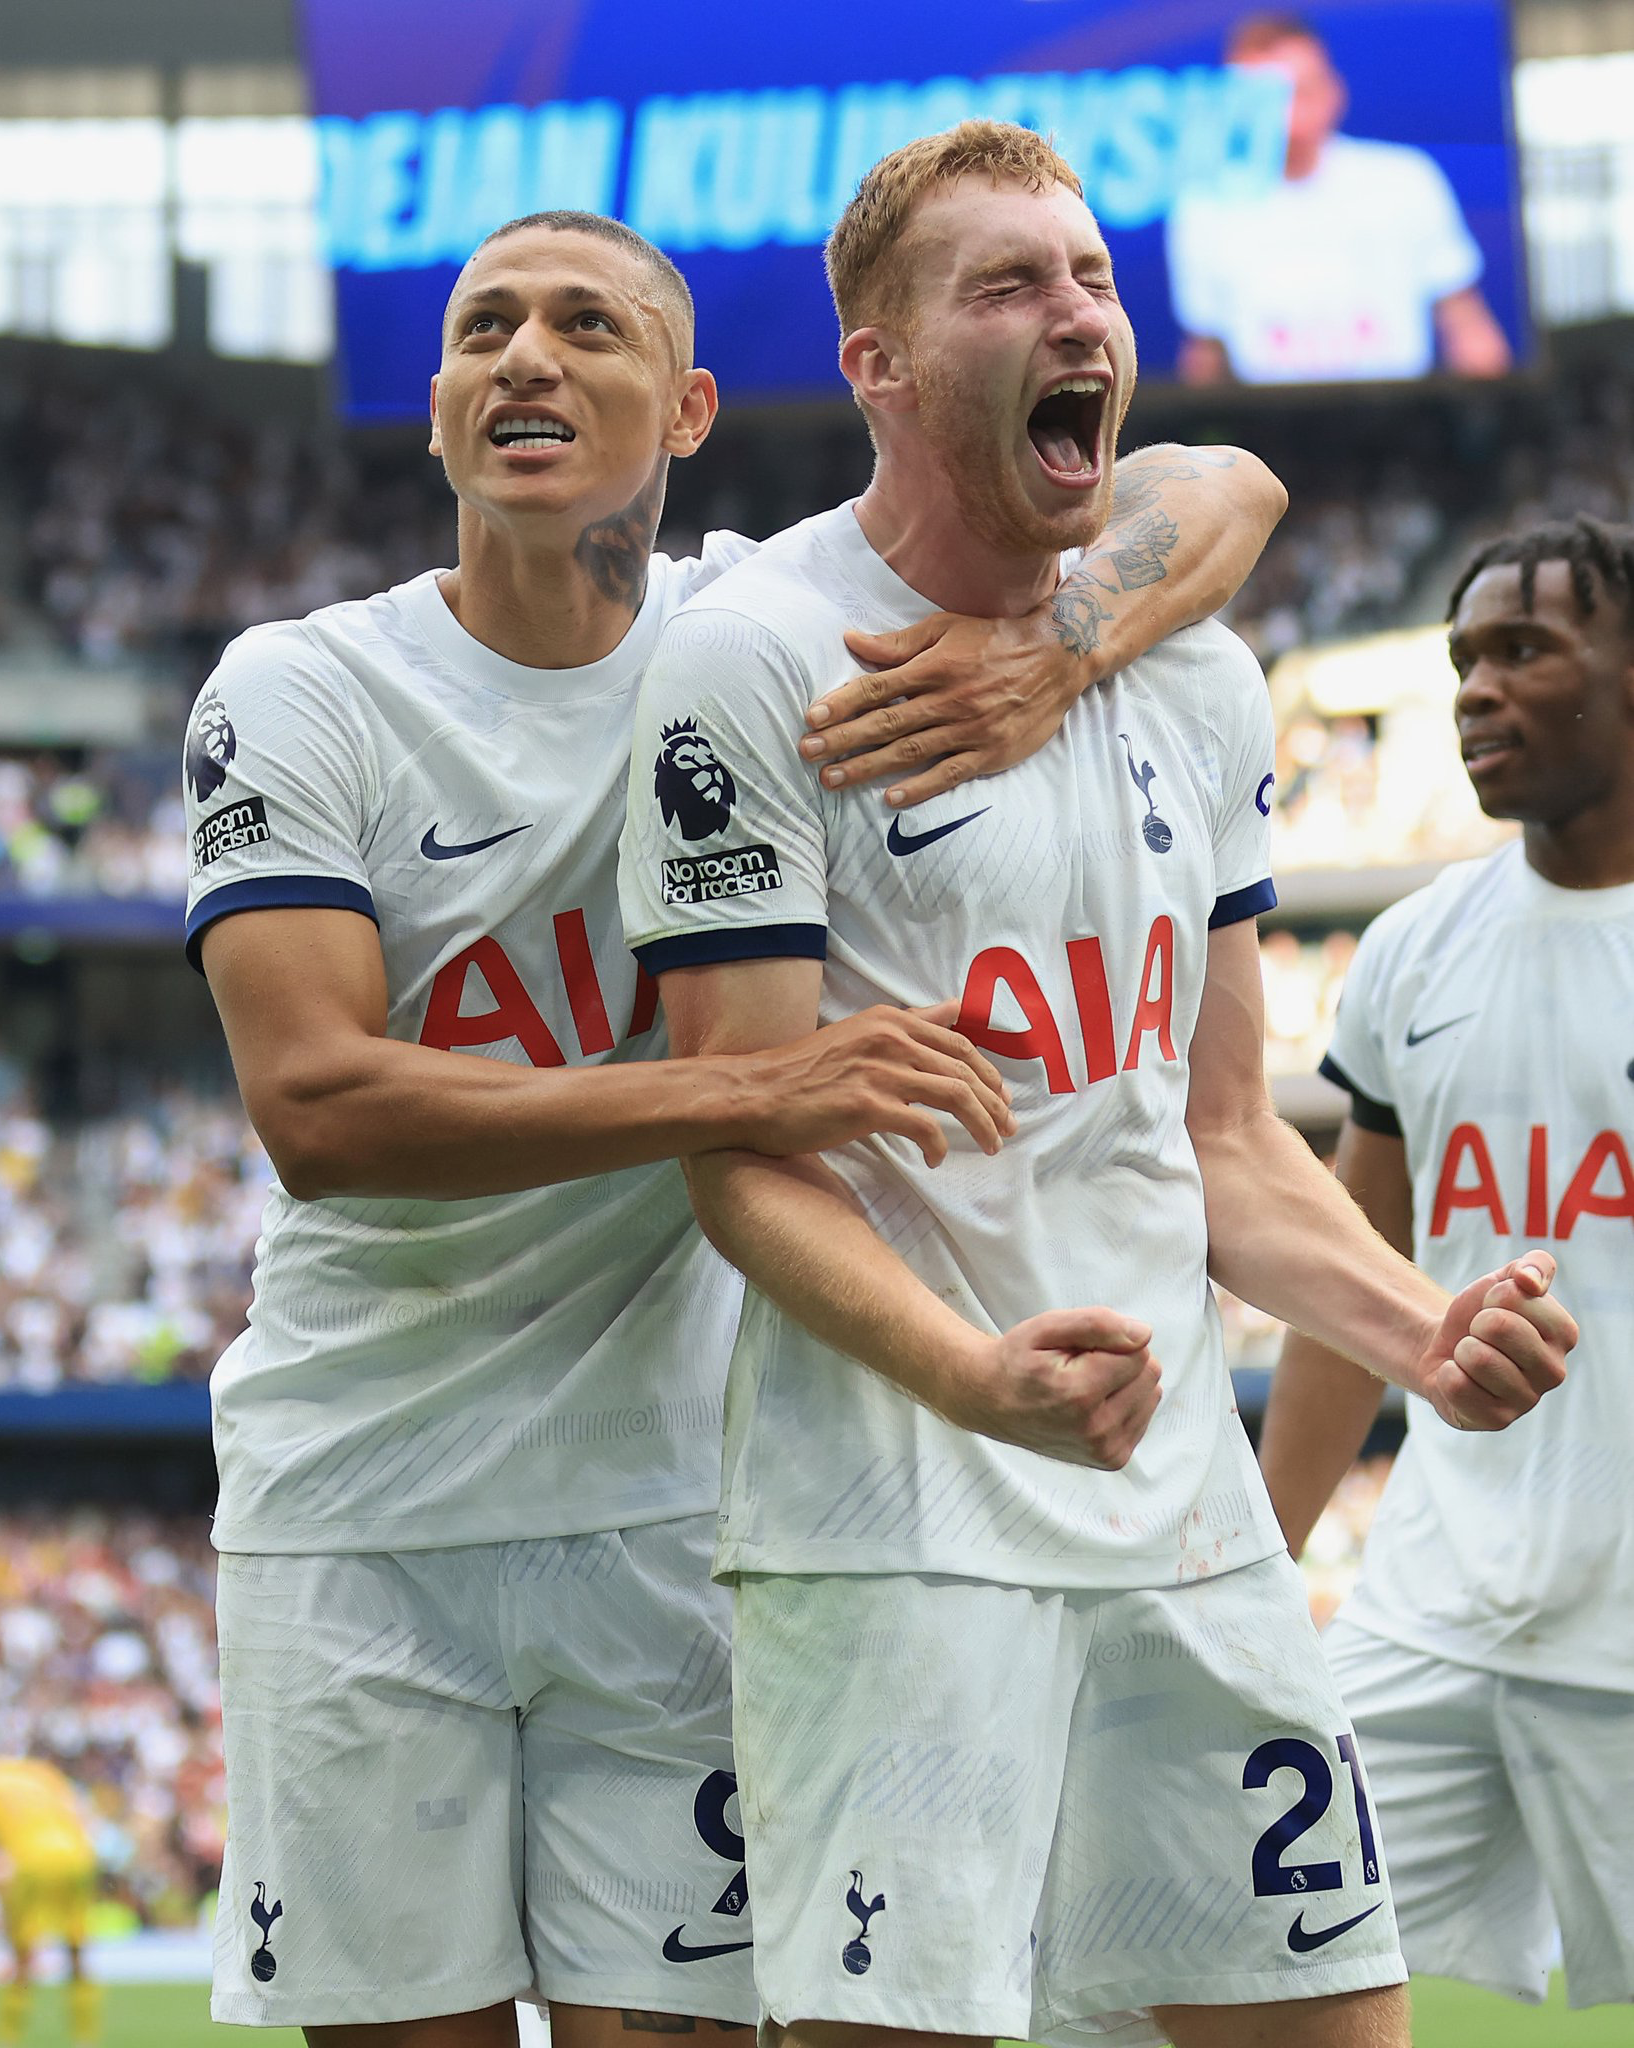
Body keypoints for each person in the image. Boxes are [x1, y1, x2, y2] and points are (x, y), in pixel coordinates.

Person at [181, 201, 1287, 2045]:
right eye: (482, 332)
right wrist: (752, 1083)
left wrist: (1063, 643)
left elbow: (1226, 482)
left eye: (587, 329)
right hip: (360, 1502)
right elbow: (318, 1105)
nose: (524, 358)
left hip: (675, 1506)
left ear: (689, 410)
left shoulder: (750, 634)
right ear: (439, 409)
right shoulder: (303, 690)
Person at [619, 121, 1577, 2048]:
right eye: (1007, 286)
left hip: (1180, 1508)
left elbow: (1218, 1128)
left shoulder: (1192, 675)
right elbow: (737, 1148)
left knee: (1332, 2019)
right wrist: (978, 1377)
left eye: (1092, 279)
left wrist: (1413, 1322)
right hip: (896, 1513)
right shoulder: (751, 656)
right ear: (876, 365)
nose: (1076, 314)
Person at [1259, 515, 1634, 2013]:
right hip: (1428, 1611)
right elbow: (1351, 1284)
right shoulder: (1412, 951)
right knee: (1269, 1965)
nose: (1475, 690)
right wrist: (1260, 1560)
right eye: (1464, 657)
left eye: (1526, 651)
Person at [1167, 12, 1512, 385]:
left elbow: (1466, 325)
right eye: (1264, 98)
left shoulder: (1405, 179)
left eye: (1299, 91)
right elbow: (1205, 353)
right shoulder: (1204, 206)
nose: (1285, 113)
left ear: (1333, 92)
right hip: (1271, 427)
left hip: (1402, 418)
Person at [0, 1757, 100, 2048]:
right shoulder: (44, 1773)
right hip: (77, 1854)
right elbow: (79, 1814)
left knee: (22, 1956)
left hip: (30, 1858)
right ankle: (85, 2037)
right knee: (76, 1949)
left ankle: (9, 2037)